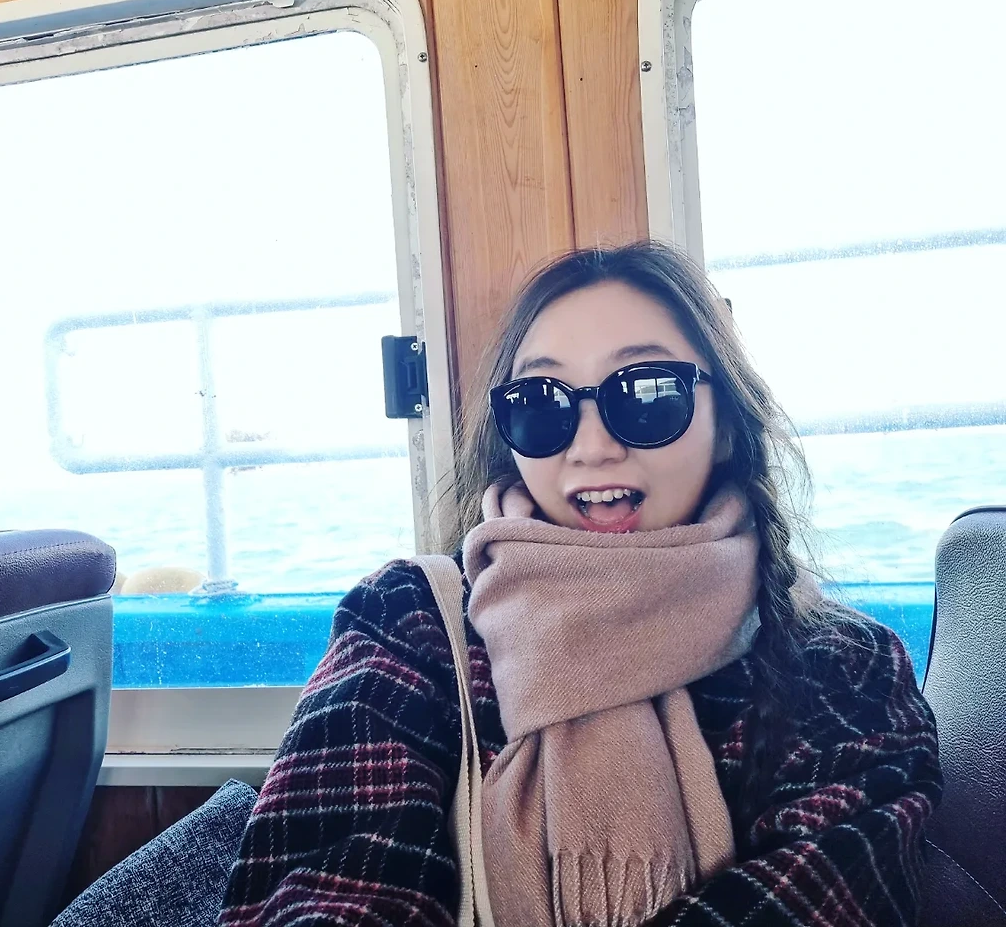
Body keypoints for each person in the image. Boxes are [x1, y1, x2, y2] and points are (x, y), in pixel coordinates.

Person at [218, 243, 942, 926]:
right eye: (542, 402)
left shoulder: (844, 665)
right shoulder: (409, 625)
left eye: (648, 394)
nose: (593, 448)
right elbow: (326, 885)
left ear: (725, 424)